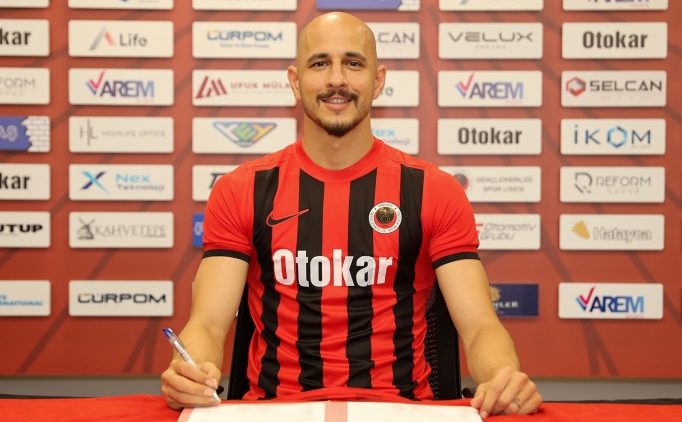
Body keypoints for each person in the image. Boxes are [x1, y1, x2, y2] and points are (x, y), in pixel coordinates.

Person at [161, 12, 542, 418]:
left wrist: (502, 377)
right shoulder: (242, 189)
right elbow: (208, 324)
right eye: (320, 63)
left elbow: (480, 325)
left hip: (402, 411)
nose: (337, 79)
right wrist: (189, 372)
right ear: (295, 81)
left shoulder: (434, 190)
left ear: (377, 81)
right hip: (275, 412)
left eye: (354, 63)